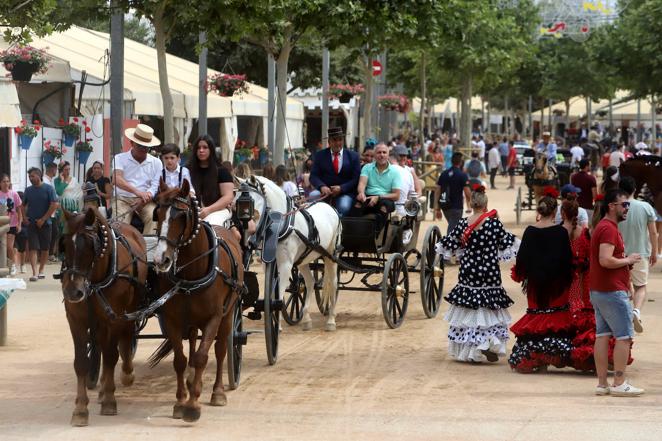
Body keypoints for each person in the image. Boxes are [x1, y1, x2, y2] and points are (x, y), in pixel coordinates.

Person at [436, 185, 519, 363]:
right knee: (489, 307)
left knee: (470, 308)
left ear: (471, 203)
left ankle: (472, 349)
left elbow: (448, 245)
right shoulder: (494, 223)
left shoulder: (463, 223)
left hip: (469, 271)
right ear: (486, 204)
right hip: (490, 271)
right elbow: (507, 243)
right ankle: (490, 342)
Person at [509, 189, 574, 372]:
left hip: (535, 285)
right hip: (557, 286)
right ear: (555, 212)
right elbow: (567, 261)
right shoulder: (561, 233)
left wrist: (527, 275)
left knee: (537, 318)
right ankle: (552, 355)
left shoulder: (530, 231)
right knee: (554, 319)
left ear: (539, 211)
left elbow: (521, 260)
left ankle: (536, 358)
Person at [590, 189, 643, 396]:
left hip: (600, 290)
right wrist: (628, 260)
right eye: (625, 205)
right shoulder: (609, 229)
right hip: (612, 291)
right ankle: (619, 382)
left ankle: (602, 384)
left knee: (602, 336)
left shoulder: (602, 227)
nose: (627, 209)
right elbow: (606, 259)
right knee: (624, 337)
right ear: (612, 206)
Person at [617, 177, 658, 333]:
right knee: (640, 286)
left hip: (619, 255)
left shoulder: (616, 207)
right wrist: (655, 252)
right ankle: (636, 311)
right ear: (635, 189)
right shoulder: (646, 207)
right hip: (640, 253)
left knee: (622, 287)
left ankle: (624, 316)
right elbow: (653, 232)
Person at [112, 124, 163, 234]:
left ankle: (148, 249)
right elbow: (116, 179)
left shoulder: (157, 162)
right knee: (119, 225)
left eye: (146, 147)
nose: (143, 149)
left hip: (145, 201)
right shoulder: (119, 158)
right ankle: (122, 249)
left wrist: (144, 198)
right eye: (140, 146)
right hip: (122, 199)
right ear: (132, 143)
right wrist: (139, 193)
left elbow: (154, 186)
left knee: (153, 217)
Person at [309, 127, 361, 217]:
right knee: (311, 197)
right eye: (334, 140)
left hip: (345, 193)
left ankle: (337, 228)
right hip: (324, 193)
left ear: (343, 141)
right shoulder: (320, 155)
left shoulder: (353, 156)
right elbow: (313, 176)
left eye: (340, 140)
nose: (337, 143)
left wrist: (341, 188)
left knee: (343, 207)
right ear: (329, 141)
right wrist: (322, 187)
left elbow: (356, 178)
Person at [188, 134, 234, 227]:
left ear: (211, 150)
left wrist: (209, 210)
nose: (201, 150)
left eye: (205, 147)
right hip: (191, 211)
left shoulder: (222, 171)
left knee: (209, 225)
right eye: (198, 148)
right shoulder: (187, 170)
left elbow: (228, 196)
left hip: (218, 211)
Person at [20, 168, 58, 282]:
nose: (30, 178)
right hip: (32, 223)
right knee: (33, 247)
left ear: (39, 175)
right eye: (29, 177)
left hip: (46, 223)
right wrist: (24, 217)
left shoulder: (48, 189)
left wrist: (43, 219)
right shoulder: (28, 190)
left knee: (45, 249)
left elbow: (54, 204)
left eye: (32, 176)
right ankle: (34, 272)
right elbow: (23, 205)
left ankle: (41, 270)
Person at [355, 143, 401, 234]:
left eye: (384, 152)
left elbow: (396, 195)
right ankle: (355, 235)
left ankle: (375, 236)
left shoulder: (395, 172)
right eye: (379, 152)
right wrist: (361, 193)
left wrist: (379, 197)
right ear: (375, 155)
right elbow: (362, 184)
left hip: (385, 199)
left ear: (388, 155)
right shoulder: (367, 167)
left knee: (384, 208)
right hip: (368, 197)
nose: (382, 155)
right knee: (356, 206)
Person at [435, 152, 471, 233]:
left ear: (451, 161)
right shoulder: (462, 175)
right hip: (457, 207)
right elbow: (467, 192)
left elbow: (437, 191)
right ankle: (448, 244)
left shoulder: (444, 174)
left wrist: (437, 208)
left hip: (445, 206)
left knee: (453, 225)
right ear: (461, 162)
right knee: (453, 229)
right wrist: (472, 203)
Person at [0, 174, 22, 275]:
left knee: (9, 246)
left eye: (7, 181)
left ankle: (13, 265)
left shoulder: (14, 194)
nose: (6, 183)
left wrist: (19, 224)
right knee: (2, 247)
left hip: (12, 223)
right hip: (1, 224)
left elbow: (19, 210)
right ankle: (4, 266)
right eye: (4, 181)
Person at [54, 161, 83, 235]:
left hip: (73, 206)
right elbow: (59, 192)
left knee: (72, 225)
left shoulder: (74, 179)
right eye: (66, 170)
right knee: (62, 226)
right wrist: (63, 181)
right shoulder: (57, 180)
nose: (68, 171)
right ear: (61, 171)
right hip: (62, 207)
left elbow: (79, 193)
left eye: (69, 169)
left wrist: (78, 208)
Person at [42, 162, 58, 260]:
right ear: (53, 170)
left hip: (52, 210)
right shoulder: (46, 181)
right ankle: (48, 254)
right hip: (48, 210)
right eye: (56, 170)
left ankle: (49, 253)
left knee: (54, 232)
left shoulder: (50, 181)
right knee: (52, 232)